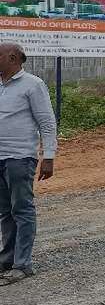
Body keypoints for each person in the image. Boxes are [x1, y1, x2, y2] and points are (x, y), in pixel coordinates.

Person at [0, 43, 57, 286]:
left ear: (12, 57)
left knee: (22, 210)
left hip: (20, 158)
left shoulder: (33, 85)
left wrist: (49, 156)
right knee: (5, 212)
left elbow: (47, 122)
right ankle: (8, 259)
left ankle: (23, 265)